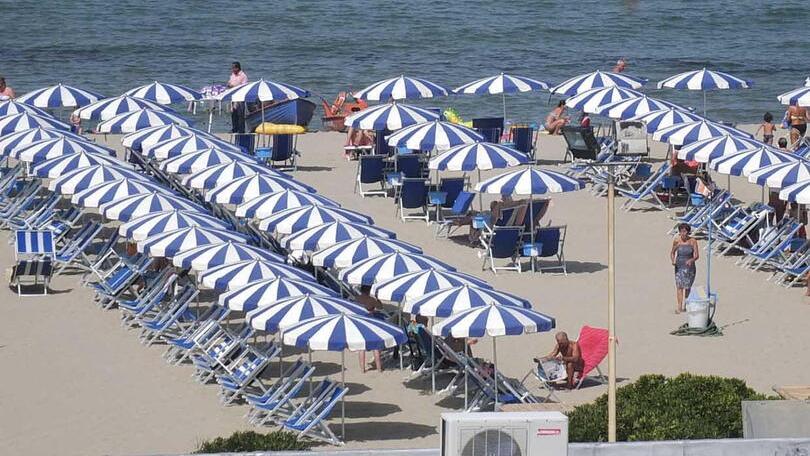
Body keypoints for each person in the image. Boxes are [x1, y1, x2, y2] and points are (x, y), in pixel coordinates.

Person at [670, 223, 699, 314]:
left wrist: (691, 260)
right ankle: (679, 307)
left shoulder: (693, 241)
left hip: (689, 267)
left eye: (685, 231)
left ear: (688, 232)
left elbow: (696, 255)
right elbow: (672, 252)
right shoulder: (677, 240)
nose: (683, 233)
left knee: (687, 286)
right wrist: (673, 260)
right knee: (679, 286)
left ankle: (686, 305)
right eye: (681, 231)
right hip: (679, 266)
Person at [356, 285, 383, 373]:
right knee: (376, 346)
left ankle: (362, 369)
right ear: (369, 291)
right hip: (371, 322)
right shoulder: (371, 299)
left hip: (360, 322)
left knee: (361, 347)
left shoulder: (357, 299)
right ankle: (379, 368)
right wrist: (377, 298)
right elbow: (380, 307)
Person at [227, 62, 248, 133]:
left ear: (238, 68)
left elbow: (244, 86)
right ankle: (234, 128)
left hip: (240, 97)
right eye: (232, 68)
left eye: (234, 68)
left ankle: (241, 130)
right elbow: (230, 82)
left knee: (240, 114)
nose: (232, 69)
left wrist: (234, 86)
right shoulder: (232, 75)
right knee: (234, 114)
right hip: (233, 96)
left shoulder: (243, 76)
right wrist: (229, 85)